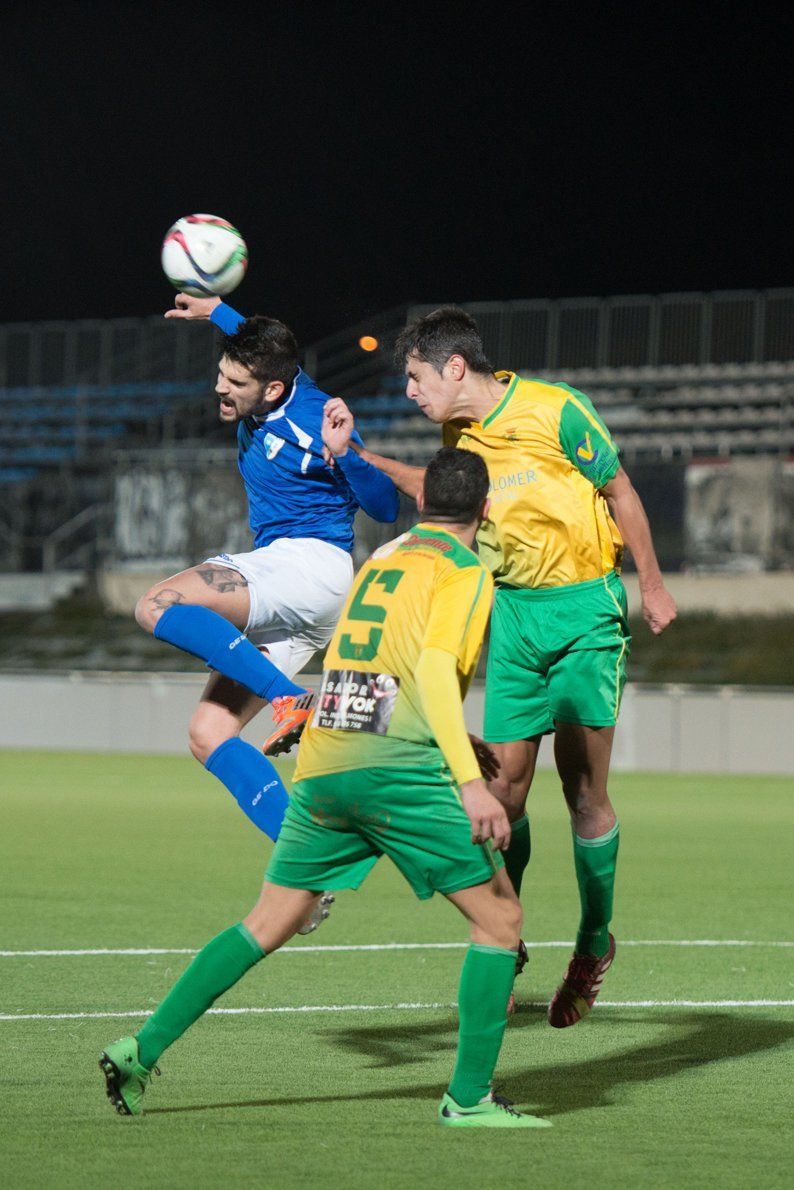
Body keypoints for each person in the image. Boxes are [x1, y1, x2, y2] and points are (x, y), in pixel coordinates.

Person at [99, 447, 551, 1129]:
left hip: (328, 761)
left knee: (267, 922)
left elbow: (363, 660)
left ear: (423, 503)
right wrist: (468, 779)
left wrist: (457, 746)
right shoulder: (463, 571)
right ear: (486, 511)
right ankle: (468, 1099)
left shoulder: (385, 561)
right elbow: (430, 670)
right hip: (394, 770)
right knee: (501, 922)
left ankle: (141, 1048)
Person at [348, 305, 677, 1027]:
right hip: (515, 617)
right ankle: (509, 923)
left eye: (413, 377)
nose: (409, 391)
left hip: (585, 610)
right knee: (505, 793)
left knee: (584, 792)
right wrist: (358, 456)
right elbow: (436, 495)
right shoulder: (455, 434)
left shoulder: (558, 410)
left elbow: (620, 491)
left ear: (454, 367)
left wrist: (650, 585)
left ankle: (594, 942)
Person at [134, 295, 398, 856]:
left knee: (156, 605)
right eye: (220, 375)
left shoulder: (316, 419)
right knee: (208, 737)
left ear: (273, 390)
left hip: (308, 564)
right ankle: (302, 864)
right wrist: (219, 312)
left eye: (235, 382)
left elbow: (385, 506)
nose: (220, 389)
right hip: (303, 596)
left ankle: (289, 699)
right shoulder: (274, 379)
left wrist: (347, 453)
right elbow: (261, 350)